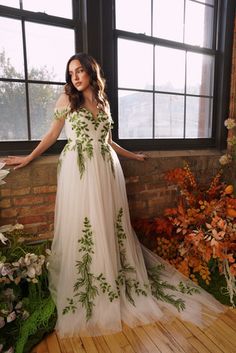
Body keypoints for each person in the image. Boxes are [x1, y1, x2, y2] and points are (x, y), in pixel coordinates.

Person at [4, 53, 225, 338]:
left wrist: (133, 155)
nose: (75, 76)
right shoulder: (66, 101)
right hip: (80, 169)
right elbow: (51, 135)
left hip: (106, 167)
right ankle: (91, 283)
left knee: (108, 222)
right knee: (86, 222)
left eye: (80, 70)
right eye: (71, 72)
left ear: (91, 73)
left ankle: (112, 273)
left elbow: (107, 140)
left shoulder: (103, 102)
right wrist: (27, 158)